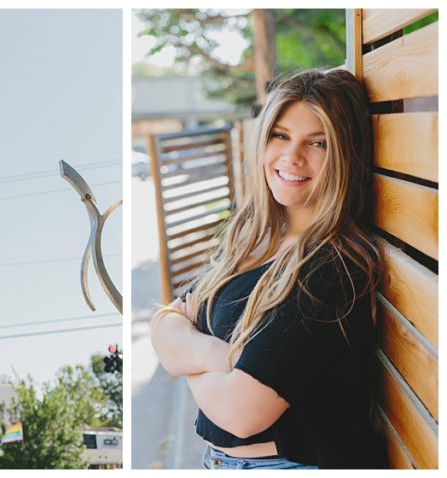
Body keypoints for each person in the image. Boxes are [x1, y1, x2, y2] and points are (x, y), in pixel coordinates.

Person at [150, 68, 386, 469]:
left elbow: (241, 413)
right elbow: (163, 324)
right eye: (281, 135)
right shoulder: (251, 239)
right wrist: (219, 356)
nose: (292, 157)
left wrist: (188, 357)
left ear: (346, 154)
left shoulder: (332, 267)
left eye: (318, 143)